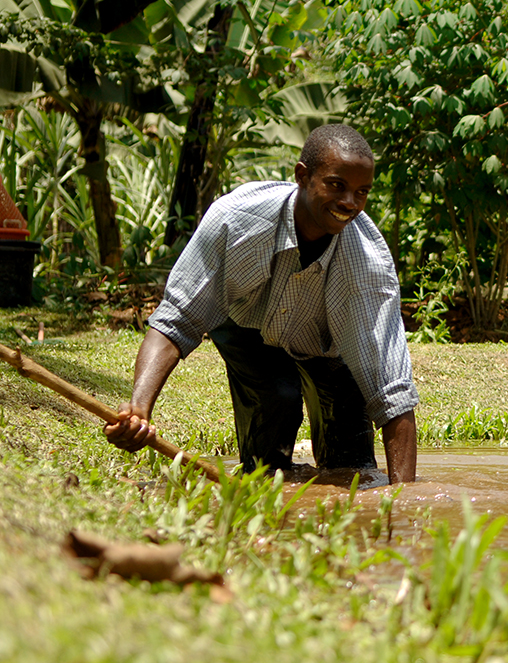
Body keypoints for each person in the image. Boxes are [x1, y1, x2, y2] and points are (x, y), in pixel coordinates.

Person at [104, 124, 419, 483]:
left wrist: (403, 500)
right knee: (275, 424)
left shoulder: (368, 263)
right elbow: (176, 322)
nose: (349, 203)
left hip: (328, 346)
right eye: (336, 185)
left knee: (352, 469)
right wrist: (138, 411)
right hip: (244, 326)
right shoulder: (235, 220)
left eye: (361, 192)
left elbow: (393, 394)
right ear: (302, 175)